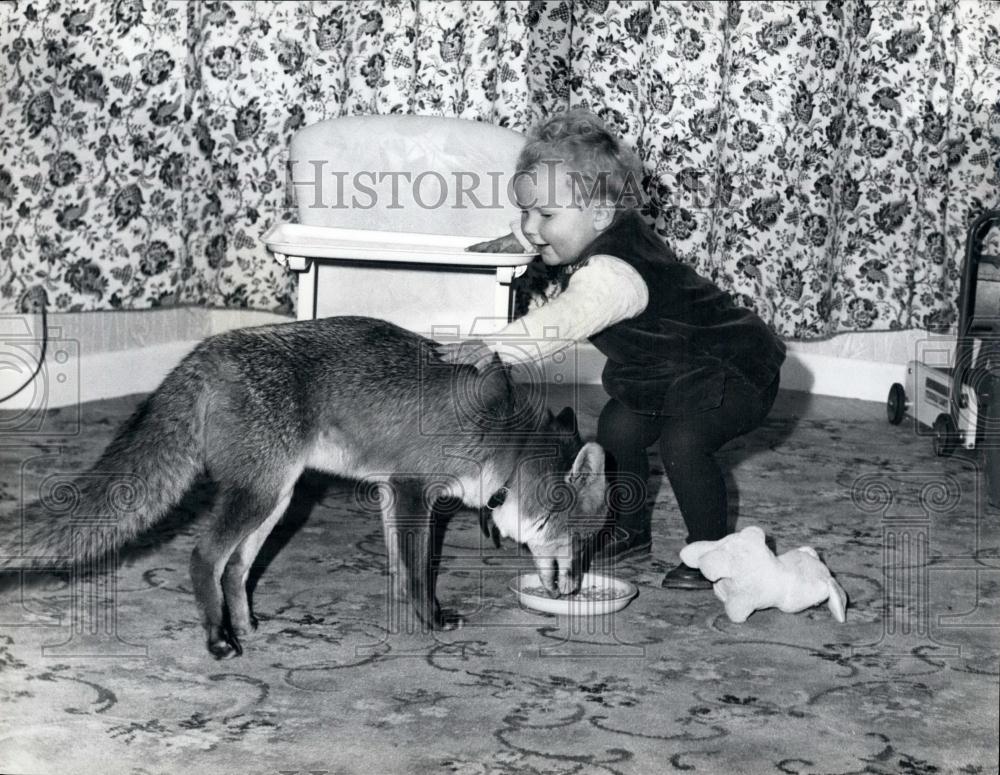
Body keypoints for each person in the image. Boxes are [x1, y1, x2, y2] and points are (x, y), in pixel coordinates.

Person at [438, 108, 785, 589]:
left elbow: (558, 324)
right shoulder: (597, 226)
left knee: (684, 445)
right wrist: (513, 240)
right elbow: (541, 229)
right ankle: (628, 529)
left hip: (734, 369)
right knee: (618, 427)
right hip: (669, 370)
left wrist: (489, 348)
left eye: (546, 215)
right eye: (526, 212)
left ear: (600, 214)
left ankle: (713, 551)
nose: (533, 228)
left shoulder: (612, 275)